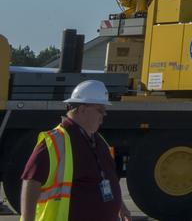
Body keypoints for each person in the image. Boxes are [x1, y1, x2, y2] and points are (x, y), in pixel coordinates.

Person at [20, 79, 130, 221]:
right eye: (101, 110)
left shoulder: (98, 140)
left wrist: (120, 205)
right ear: (83, 109)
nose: (103, 116)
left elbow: (107, 178)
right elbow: (31, 182)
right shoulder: (55, 141)